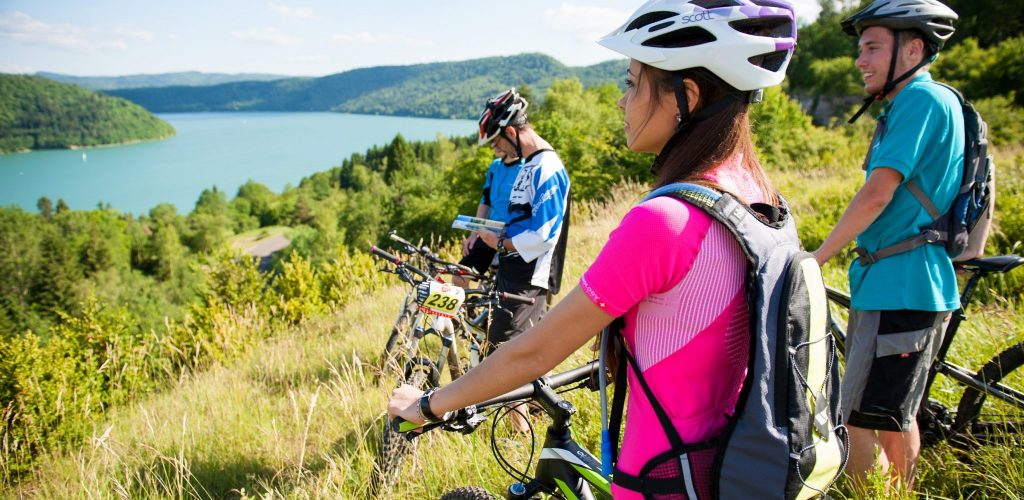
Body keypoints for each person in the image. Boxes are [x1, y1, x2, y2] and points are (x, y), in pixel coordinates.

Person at [388, 1, 797, 497]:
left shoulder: (664, 222)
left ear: (684, 96)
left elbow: (535, 353)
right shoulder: (761, 200)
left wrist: (428, 403)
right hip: (733, 469)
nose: (622, 102)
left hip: (657, 480)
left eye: (632, 83)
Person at [811, 0, 962, 492]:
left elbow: (878, 193)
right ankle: (899, 491)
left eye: (873, 47)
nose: (860, 60)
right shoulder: (918, 103)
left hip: (902, 285)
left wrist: (816, 259)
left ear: (913, 49)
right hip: (898, 281)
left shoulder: (921, 100)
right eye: (861, 49)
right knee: (894, 413)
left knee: (860, 416)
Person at [473, 88, 570, 352]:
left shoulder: (546, 167)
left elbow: (544, 234)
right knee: (506, 365)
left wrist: (499, 243)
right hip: (512, 276)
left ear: (512, 132)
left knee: (499, 366)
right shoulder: (529, 164)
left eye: (496, 141)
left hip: (527, 283)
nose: (495, 149)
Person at [452, 93, 524, 288]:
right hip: (489, 231)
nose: (494, 147)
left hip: (511, 237)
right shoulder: (495, 167)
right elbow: (485, 201)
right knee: (459, 276)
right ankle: (466, 316)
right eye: (491, 144)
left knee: (495, 288)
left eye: (496, 142)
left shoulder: (527, 167)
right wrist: (474, 233)